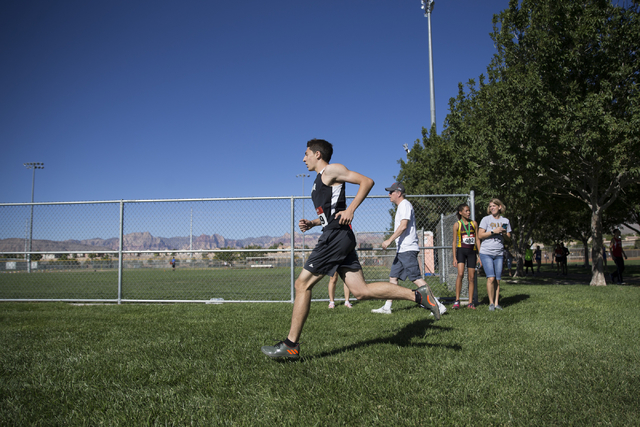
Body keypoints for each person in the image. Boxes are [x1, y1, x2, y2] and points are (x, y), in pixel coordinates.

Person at [261, 139, 440, 360]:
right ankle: (419, 297)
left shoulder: (331, 170)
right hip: (337, 234)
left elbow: (367, 181)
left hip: (336, 237)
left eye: (306, 153)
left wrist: (352, 209)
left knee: (302, 284)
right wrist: (314, 223)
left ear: (318, 154)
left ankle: (290, 345)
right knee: (361, 291)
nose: (303, 158)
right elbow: (331, 212)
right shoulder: (318, 181)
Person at [371, 182, 446, 315]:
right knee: (393, 277)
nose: (389, 194)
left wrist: (389, 240)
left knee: (416, 278)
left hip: (407, 249)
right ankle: (387, 307)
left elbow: (403, 226)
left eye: (391, 192)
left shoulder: (404, 205)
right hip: (402, 250)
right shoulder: (401, 206)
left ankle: (438, 305)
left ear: (398, 193)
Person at [478, 198, 511, 311]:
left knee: (497, 279)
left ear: (500, 207)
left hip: (499, 253)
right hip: (486, 252)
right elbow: (480, 235)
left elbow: (508, 238)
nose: (492, 208)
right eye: (490, 206)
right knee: (491, 278)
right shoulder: (486, 219)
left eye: (494, 206)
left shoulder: (505, 221)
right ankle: (491, 303)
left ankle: (497, 303)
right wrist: (493, 231)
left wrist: (504, 233)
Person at [450, 203, 479, 309]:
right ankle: (457, 300)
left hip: (472, 252)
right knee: (460, 274)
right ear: (461, 212)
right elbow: (454, 242)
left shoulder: (474, 223)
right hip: (461, 251)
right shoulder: (457, 225)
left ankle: (470, 302)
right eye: (466, 211)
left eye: (469, 210)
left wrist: (479, 255)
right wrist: (454, 257)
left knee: (471, 277)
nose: (469, 212)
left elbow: (477, 239)